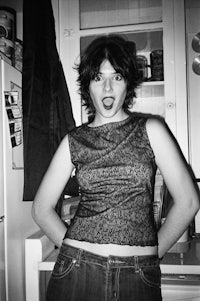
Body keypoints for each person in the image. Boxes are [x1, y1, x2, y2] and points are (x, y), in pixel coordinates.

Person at [32, 35, 199, 301]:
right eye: (98, 78)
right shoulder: (73, 141)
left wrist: (152, 253)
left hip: (138, 275)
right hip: (76, 271)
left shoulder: (151, 130)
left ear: (128, 85)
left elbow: (188, 201)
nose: (108, 87)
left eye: (117, 77)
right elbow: (41, 209)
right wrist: (75, 253)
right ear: (88, 86)